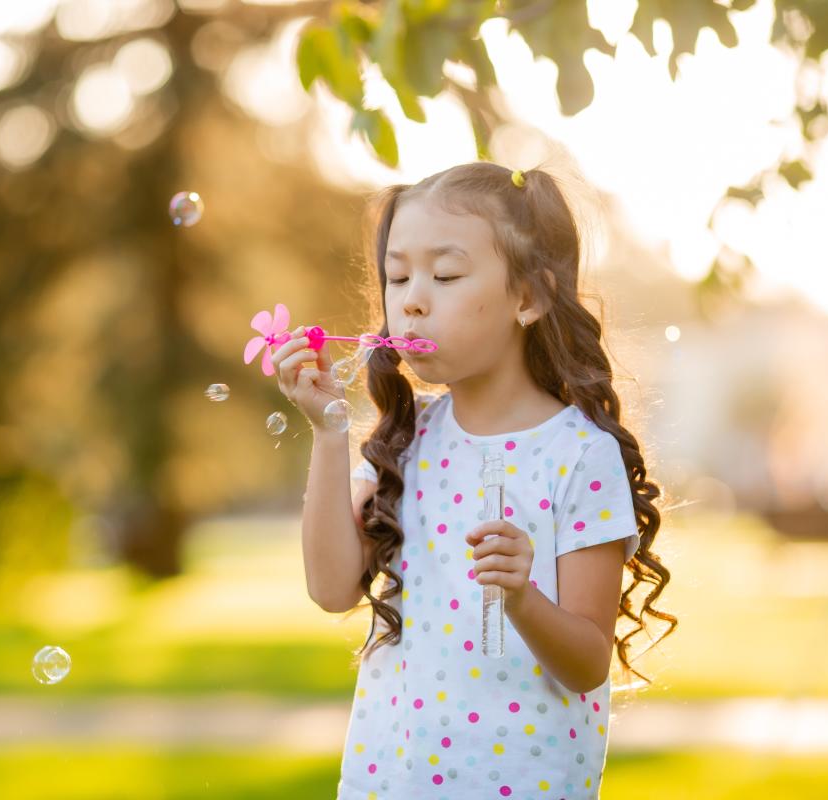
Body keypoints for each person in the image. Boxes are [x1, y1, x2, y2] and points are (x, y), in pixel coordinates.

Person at [271, 161, 677, 799]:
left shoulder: (577, 456)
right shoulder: (407, 440)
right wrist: (328, 429)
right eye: (398, 275)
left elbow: (587, 661)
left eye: (446, 274)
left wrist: (522, 597)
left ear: (529, 298)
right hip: (393, 781)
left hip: (524, 783)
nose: (411, 298)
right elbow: (330, 589)